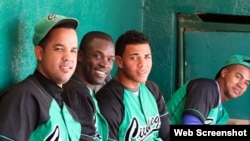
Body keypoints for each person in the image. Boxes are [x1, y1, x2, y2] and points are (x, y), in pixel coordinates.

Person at [0, 13, 81, 141]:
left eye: (73, 50)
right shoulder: (23, 98)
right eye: (59, 49)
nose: (68, 57)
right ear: (40, 53)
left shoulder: (69, 113)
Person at [96, 30, 170, 141]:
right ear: (120, 61)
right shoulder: (109, 101)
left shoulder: (152, 89)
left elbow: (166, 134)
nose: (143, 64)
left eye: (147, 57)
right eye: (134, 57)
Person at [61, 31, 115, 141]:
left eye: (110, 59)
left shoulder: (92, 88)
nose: (105, 64)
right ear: (80, 56)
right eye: (98, 56)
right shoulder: (76, 92)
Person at [167, 54, 250, 125]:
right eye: (238, 76)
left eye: (246, 83)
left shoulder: (221, 113)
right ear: (224, 73)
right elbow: (191, 124)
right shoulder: (206, 87)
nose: (241, 85)